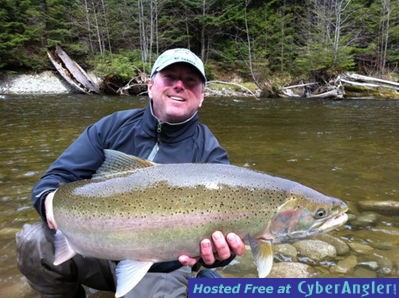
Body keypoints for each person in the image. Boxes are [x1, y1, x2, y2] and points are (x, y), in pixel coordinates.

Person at [16, 48, 245, 297]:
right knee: (34, 242)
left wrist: (219, 258)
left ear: (201, 96)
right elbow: (51, 181)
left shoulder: (211, 155)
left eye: (190, 81)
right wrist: (50, 199)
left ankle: (201, 282)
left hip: (161, 267)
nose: (179, 85)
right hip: (97, 251)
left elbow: (224, 238)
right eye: (170, 77)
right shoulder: (112, 127)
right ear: (150, 86)